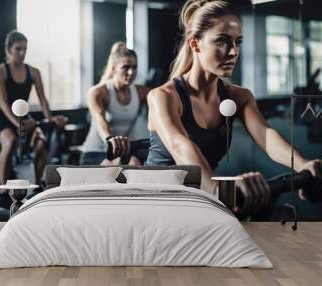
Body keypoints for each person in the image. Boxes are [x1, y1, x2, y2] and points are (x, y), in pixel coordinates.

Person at [145, 0, 321, 215]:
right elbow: (180, 145)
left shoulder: (239, 96)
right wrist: (217, 190)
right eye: (222, 41)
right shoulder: (163, 96)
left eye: (238, 42)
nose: (233, 52)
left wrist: (302, 164)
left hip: (201, 202)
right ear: (195, 44)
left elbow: (266, 136)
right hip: (157, 202)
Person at [0, 30, 68, 209]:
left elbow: (43, 99)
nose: (22, 53)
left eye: (25, 49)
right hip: (4, 118)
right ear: (8, 49)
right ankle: (3, 193)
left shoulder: (33, 72)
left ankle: (37, 186)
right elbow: (3, 103)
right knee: (9, 142)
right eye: (18, 49)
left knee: (41, 142)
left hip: (24, 116)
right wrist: (16, 124)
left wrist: (50, 119)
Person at [81, 42, 149, 165]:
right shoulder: (99, 92)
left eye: (134, 67)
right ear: (113, 69)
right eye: (126, 67)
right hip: (95, 153)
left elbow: (162, 103)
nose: (131, 72)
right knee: (121, 165)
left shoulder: (140, 91)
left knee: (135, 163)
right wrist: (109, 139)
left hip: (120, 152)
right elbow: (100, 119)